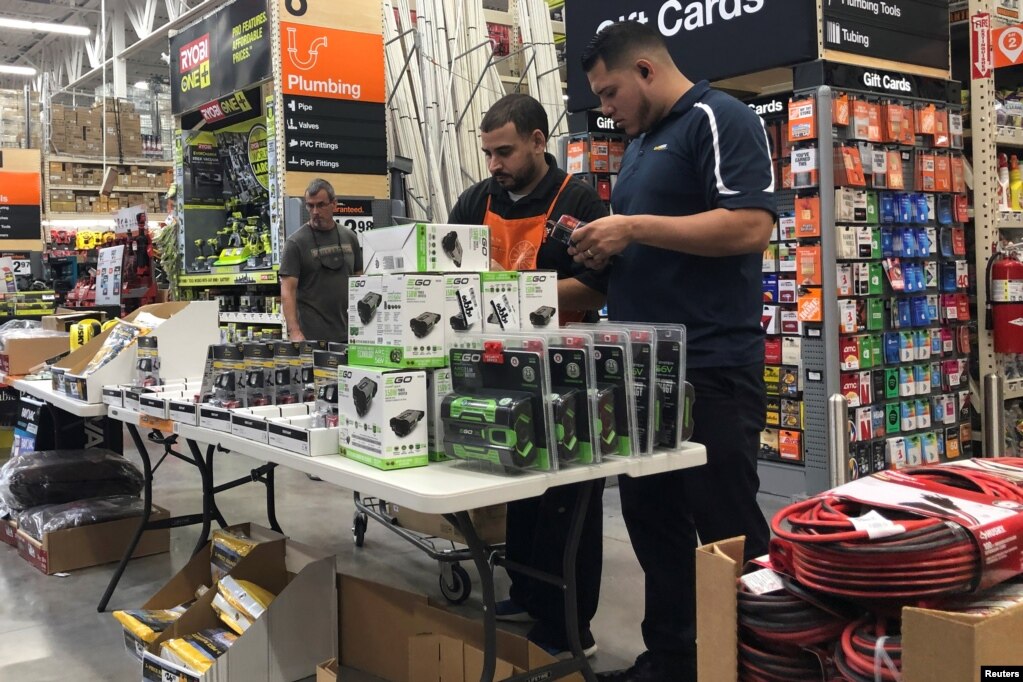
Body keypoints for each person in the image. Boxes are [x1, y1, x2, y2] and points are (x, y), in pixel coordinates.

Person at [568, 22, 776, 682]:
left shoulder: (720, 119)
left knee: (726, 529)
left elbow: (749, 225)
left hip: (710, 367)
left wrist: (630, 227)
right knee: (652, 521)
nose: (605, 109)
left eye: (608, 93)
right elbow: (645, 252)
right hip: (642, 370)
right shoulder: (638, 147)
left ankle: (761, 660)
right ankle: (672, 660)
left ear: (646, 73)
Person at [447, 93, 608, 658]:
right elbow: (449, 270)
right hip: (496, 370)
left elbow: (599, 287)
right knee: (519, 488)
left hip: (565, 374)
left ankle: (569, 627)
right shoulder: (476, 200)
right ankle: (526, 592)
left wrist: (516, 293)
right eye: (489, 153)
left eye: (506, 151)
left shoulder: (579, 202)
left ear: (539, 142)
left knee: (567, 503)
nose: (495, 164)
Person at [280, 179, 362, 342]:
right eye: (310, 206)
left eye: (321, 205)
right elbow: (287, 290)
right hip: (312, 339)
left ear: (334, 204)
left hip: (349, 335)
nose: (315, 211)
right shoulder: (296, 243)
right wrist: (294, 331)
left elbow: (360, 279)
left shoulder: (350, 237)